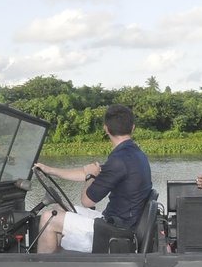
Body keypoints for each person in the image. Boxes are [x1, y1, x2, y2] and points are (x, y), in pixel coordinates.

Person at [34, 104, 152, 253]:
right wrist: (50, 170)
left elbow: (87, 201)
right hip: (119, 222)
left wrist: (91, 176)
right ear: (133, 127)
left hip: (114, 232)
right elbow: (85, 172)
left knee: (48, 218)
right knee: (58, 209)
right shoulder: (134, 154)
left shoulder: (119, 160)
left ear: (106, 129)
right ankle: (58, 263)